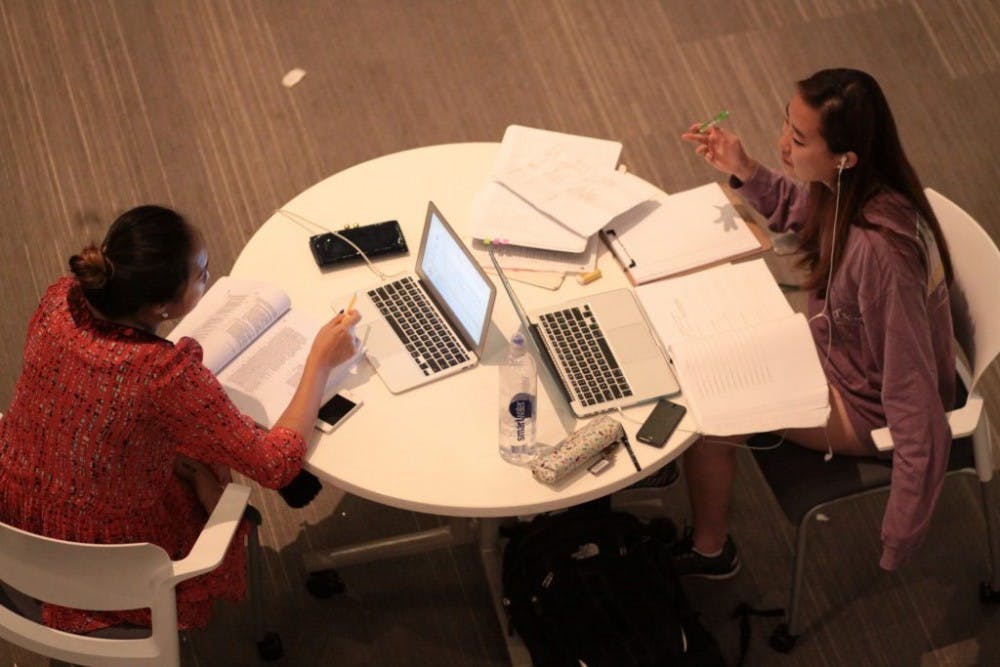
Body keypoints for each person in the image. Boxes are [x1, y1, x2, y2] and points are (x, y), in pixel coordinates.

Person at [0, 205, 360, 633]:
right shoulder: (162, 376)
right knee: (224, 454)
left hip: (16, 516)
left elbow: (96, 412)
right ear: (162, 307)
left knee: (198, 441)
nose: (210, 278)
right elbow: (274, 464)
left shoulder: (59, 300)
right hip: (114, 566)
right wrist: (320, 360)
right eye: (202, 273)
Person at [675, 68, 954, 576]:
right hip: (834, 350)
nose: (783, 144)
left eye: (799, 139)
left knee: (709, 414)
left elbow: (916, 404)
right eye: (786, 124)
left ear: (845, 156)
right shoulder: (847, 186)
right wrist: (745, 168)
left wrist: (899, 539)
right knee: (700, 345)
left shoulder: (882, 258)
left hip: (863, 403)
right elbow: (798, 212)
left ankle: (710, 552)